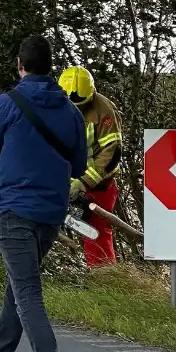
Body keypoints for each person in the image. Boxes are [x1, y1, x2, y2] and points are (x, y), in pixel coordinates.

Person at [0, 35, 89, 352]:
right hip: (51, 214)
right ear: (51, 68)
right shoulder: (71, 112)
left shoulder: (4, 105)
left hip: (14, 211)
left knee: (27, 291)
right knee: (19, 282)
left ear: (19, 65)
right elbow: (79, 166)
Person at [58, 65, 124, 267]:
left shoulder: (103, 110)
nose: (77, 110)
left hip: (97, 185)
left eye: (82, 105)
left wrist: (84, 182)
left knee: (96, 235)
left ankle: (104, 283)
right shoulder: (54, 105)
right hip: (63, 183)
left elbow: (112, 153)